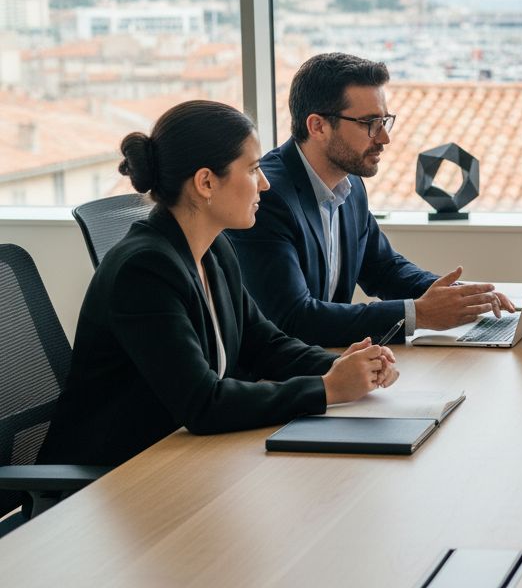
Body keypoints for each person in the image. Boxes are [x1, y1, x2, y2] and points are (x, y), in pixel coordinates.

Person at [39, 101, 397, 468]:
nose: (265, 183)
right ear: (206, 182)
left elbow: (265, 344)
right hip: (112, 479)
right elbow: (203, 403)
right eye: (254, 169)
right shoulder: (144, 270)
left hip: (179, 456)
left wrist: (346, 365)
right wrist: (328, 388)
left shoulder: (215, 248)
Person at [227, 53, 512, 347]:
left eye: (385, 121)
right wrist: (418, 315)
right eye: (369, 123)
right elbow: (293, 319)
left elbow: (384, 270)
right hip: (275, 381)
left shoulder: (350, 184)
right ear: (318, 126)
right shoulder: (267, 196)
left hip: (330, 363)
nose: (384, 138)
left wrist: (465, 297)